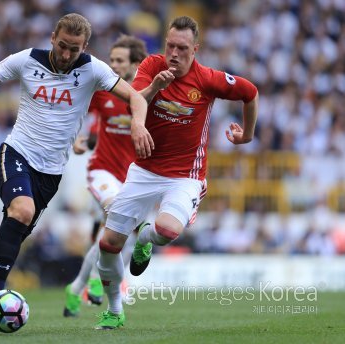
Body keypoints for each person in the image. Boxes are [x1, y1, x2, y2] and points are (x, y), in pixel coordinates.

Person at [0, 13, 153, 312]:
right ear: (52, 37)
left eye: (74, 49)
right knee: (22, 210)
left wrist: (138, 124)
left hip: (50, 172)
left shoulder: (93, 69)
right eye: (62, 45)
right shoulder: (27, 60)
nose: (65, 54)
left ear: (84, 46)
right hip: (17, 152)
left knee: (2, 247)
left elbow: (136, 98)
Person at [95, 16, 259, 330]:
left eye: (182, 48)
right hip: (144, 171)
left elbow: (250, 92)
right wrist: (154, 89)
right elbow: (134, 101)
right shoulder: (151, 67)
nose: (173, 53)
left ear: (195, 50)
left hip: (186, 176)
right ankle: (115, 309)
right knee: (108, 245)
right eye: (170, 45)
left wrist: (247, 135)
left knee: (167, 232)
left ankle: (144, 236)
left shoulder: (209, 79)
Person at [63, 35, 149, 317]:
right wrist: (80, 139)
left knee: (117, 236)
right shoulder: (103, 90)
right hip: (103, 171)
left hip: (135, 178)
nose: (112, 65)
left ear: (136, 64)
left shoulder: (147, 96)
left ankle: (77, 287)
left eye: (119, 61)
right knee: (116, 218)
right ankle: (98, 282)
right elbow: (85, 117)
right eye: (111, 60)